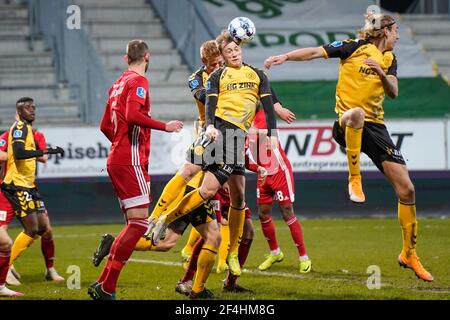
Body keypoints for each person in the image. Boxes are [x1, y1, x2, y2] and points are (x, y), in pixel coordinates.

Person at [264, 13, 433, 282]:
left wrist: (380, 72)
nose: (398, 36)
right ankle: (354, 179)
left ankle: (409, 253)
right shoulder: (352, 46)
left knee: (407, 189)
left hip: (376, 129)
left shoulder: (390, 60)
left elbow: (394, 92)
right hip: (346, 123)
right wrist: (285, 56)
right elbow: (314, 52)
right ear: (385, 31)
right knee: (356, 113)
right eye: (396, 31)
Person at [150, 30, 279, 281]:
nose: (218, 64)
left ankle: (206, 256)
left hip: (232, 136)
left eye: (221, 60)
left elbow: (261, 92)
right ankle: (160, 217)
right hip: (209, 133)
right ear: (205, 63)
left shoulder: (242, 73)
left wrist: (272, 115)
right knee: (196, 183)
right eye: (214, 63)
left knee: (228, 199)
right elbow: (205, 98)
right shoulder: (200, 78)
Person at [87, 39, 184, 300]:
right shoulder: (138, 82)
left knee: (135, 224)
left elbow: (105, 126)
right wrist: (166, 126)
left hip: (118, 157)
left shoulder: (117, 83)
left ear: (125, 58)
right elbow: (131, 115)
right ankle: (106, 285)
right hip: (129, 159)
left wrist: (119, 143)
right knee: (140, 224)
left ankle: (104, 285)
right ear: (148, 57)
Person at [0, 97, 65, 288]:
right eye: (27, 108)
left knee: (44, 227)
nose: (32, 110)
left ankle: (48, 269)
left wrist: (45, 151)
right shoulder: (19, 128)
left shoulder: (28, 130)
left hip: (29, 185)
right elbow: (19, 154)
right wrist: (46, 150)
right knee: (32, 229)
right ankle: (7, 265)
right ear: (19, 112)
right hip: (17, 185)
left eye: (33, 107)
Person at [246, 108, 311, 273]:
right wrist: (258, 168)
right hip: (264, 172)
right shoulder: (241, 120)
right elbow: (244, 159)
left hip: (279, 170)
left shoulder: (262, 113)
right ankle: (275, 252)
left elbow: (262, 133)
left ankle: (304, 257)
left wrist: (243, 132)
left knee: (287, 211)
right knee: (263, 213)